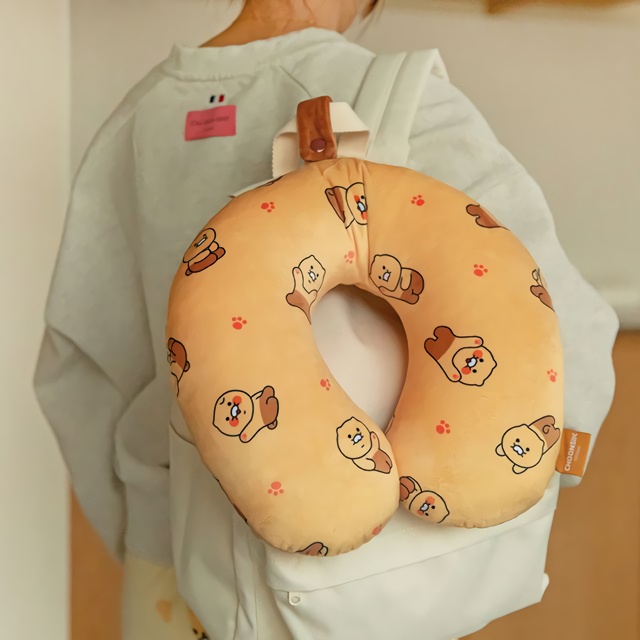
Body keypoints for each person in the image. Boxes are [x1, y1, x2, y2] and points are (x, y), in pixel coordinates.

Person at [34, 0, 617, 638]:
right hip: (369, 584)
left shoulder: (131, 128)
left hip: (175, 589)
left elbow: (82, 381)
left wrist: (154, 535)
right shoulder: (405, 100)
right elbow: (563, 334)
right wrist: (511, 480)